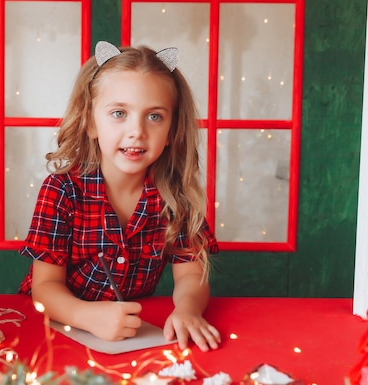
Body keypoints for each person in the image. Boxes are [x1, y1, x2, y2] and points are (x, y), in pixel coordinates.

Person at [18, 41, 221, 352]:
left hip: (131, 336)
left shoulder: (175, 196)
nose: (136, 131)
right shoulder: (62, 191)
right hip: (52, 330)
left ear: (172, 129)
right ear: (90, 122)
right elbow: (44, 288)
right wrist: (87, 315)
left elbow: (191, 273)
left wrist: (187, 309)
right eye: (118, 113)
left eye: (154, 117)